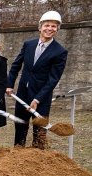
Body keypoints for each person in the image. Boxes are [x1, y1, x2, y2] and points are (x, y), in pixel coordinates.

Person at [6, 11, 68, 149]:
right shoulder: (29, 44)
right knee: (20, 127)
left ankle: (38, 160)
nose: (50, 28)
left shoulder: (60, 52)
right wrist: (9, 84)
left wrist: (37, 99)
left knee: (39, 132)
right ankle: (18, 156)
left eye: (54, 26)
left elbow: (53, 79)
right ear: (40, 27)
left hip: (41, 98)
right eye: (47, 25)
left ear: (57, 29)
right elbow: (16, 65)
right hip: (22, 94)